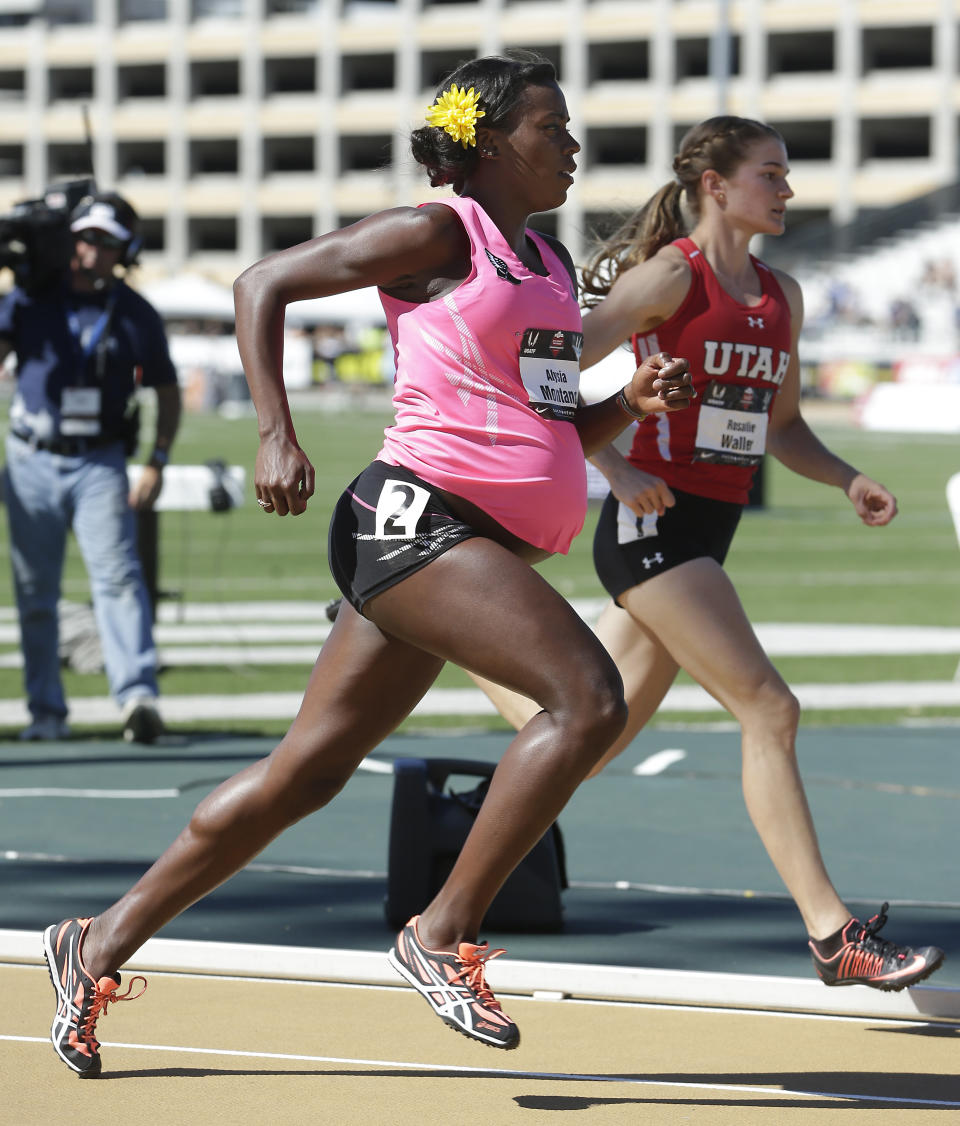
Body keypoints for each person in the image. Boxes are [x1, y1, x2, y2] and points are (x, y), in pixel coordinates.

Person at [40, 53, 695, 1078]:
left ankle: (94, 943)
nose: (574, 146)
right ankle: (440, 934)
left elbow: (550, 421)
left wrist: (628, 406)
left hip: (462, 542)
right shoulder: (440, 231)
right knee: (586, 699)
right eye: (551, 128)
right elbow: (264, 282)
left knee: (305, 773)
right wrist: (273, 432)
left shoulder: (554, 264)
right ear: (487, 141)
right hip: (415, 522)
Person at [472, 116, 945, 993]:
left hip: (707, 530)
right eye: (772, 173)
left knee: (590, 737)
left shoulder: (782, 295)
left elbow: (785, 426)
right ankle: (832, 933)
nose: (788, 190)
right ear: (717, 185)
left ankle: (451, 642)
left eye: (787, 173)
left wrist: (845, 479)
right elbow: (549, 372)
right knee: (770, 708)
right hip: (653, 527)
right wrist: (606, 460)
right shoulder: (668, 277)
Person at [1, 190, 181, 744]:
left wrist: (156, 460)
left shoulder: (134, 312)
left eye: (104, 241)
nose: (90, 250)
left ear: (125, 249)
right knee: (35, 592)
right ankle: (46, 712)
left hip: (100, 460)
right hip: (32, 453)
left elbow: (166, 390)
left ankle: (137, 698)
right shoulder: (30, 297)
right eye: (82, 237)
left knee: (119, 579)